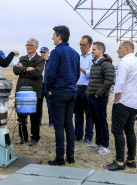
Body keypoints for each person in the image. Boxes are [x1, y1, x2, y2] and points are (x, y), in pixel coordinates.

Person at [104, 41, 137, 171]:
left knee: (117, 131)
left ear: (126, 49)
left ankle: (120, 161)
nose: (117, 51)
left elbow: (119, 84)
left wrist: (116, 100)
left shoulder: (124, 62)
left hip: (123, 102)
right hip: (134, 103)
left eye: (119, 48)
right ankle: (131, 159)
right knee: (130, 131)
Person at [46, 25, 80, 165]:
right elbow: (77, 74)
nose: (52, 38)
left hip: (59, 92)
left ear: (59, 37)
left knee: (59, 126)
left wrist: (48, 88)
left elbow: (51, 73)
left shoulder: (56, 52)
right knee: (69, 125)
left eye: (54, 35)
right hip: (72, 92)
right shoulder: (75, 53)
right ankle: (70, 156)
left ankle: (60, 158)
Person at [13, 38, 45, 146]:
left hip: (34, 92)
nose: (28, 47)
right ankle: (23, 137)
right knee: (21, 116)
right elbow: (15, 70)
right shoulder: (22, 58)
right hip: (21, 91)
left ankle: (35, 138)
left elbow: (37, 73)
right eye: (27, 45)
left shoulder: (40, 59)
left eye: (30, 45)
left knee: (35, 117)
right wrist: (27, 69)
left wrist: (23, 70)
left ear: (36, 47)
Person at [86, 42, 114, 155]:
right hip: (92, 96)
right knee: (96, 121)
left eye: (93, 49)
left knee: (102, 122)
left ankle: (105, 146)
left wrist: (98, 93)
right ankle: (97, 143)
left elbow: (109, 81)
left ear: (100, 50)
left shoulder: (106, 65)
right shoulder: (94, 64)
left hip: (100, 98)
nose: (91, 51)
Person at [74, 35, 94, 143]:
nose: (81, 46)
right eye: (80, 44)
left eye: (83, 45)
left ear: (89, 46)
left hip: (87, 88)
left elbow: (91, 74)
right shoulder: (78, 57)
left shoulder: (92, 58)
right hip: (77, 88)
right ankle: (78, 135)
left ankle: (88, 136)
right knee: (78, 113)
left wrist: (79, 68)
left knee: (89, 114)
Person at [39, 46, 53, 127]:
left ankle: (51, 123)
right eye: (42, 52)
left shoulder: (51, 61)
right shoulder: (38, 61)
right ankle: (38, 122)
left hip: (48, 87)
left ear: (48, 53)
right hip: (40, 86)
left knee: (50, 105)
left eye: (44, 52)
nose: (43, 54)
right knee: (38, 106)